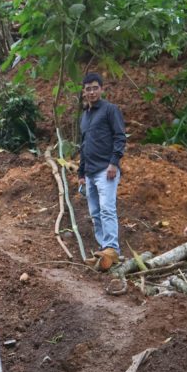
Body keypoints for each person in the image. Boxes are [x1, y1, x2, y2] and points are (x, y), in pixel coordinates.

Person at [77, 73, 126, 271]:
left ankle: (112, 248)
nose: (92, 92)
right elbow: (84, 145)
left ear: (101, 89)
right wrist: (81, 173)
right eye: (88, 89)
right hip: (89, 172)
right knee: (95, 213)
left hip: (106, 170)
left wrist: (114, 163)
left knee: (107, 209)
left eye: (95, 88)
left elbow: (120, 137)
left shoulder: (110, 110)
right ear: (84, 92)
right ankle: (103, 250)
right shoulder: (85, 116)